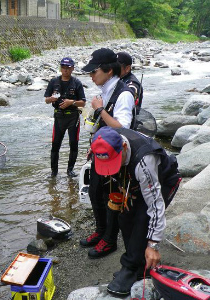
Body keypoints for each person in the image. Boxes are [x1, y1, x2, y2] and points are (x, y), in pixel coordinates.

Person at [89, 126, 181, 296]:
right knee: (124, 218)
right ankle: (138, 266)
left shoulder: (145, 161)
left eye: (113, 161)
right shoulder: (102, 142)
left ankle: (130, 268)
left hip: (165, 178)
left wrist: (153, 245)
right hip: (135, 179)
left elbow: (155, 205)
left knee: (141, 219)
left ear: (123, 147)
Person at [79, 48, 136, 259]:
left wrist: (100, 110)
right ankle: (100, 230)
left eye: (94, 72)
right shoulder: (105, 90)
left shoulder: (124, 94)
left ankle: (110, 240)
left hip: (116, 157)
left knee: (111, 195)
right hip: (100, 152)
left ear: (108, 71)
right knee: (94, 192)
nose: (91, 76)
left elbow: (123, 128)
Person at [44, 57, 86, 177]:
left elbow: (83, 102)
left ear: (72, 68)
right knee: (55, 144)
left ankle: (70, 170)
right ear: (60, 68)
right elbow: (46, 100)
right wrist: (51, 99)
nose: (65, 70)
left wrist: (71, 102)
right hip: (59, 117)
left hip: (73, 117)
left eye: (68, 68)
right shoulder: (53, 82)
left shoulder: (76, 82)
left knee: (73, 143)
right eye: (63, 67)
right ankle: (54, 172)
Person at [117, 51, 144, 116]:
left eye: (116, 66)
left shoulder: (132, 85)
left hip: (128, 122)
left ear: (127, 68)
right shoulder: (118, 79)